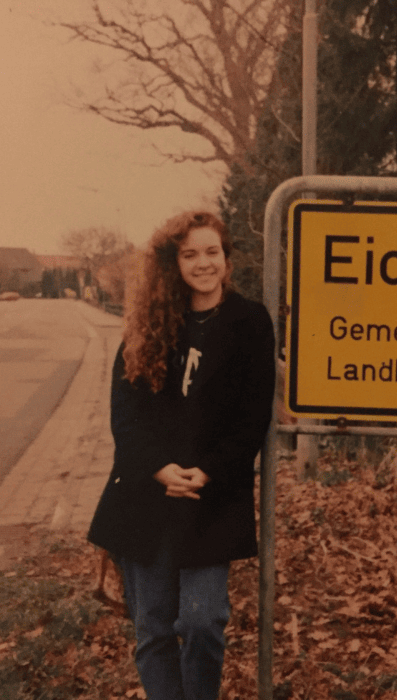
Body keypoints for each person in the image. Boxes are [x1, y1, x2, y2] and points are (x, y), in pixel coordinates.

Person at [88, 211, 275, 700]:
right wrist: (158, 468)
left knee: (202, 620)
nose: (203, 263)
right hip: (145, 495)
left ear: (227, 258)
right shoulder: (148, 325)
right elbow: (124, 415)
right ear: (174, 262)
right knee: (152, 628)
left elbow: (252, 417)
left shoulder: (249, 321)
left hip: (211, 499)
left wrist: (207, 472)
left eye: (212, 251)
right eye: (190, 254)